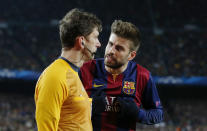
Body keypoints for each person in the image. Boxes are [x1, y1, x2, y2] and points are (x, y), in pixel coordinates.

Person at [79, 20, 163, 131]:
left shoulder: (143, 76)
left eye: (119, 48)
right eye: (110, 44)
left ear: (131, 55)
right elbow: (64, 105)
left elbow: (158, 114)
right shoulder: (85, 69)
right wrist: (89, 106)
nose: (111, 51)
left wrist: (138, 114)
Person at [34, 8, 102, 131]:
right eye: (95, 37)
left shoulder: (75, 74)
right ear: (81, 41)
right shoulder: (54, 77)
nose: (99, 44)